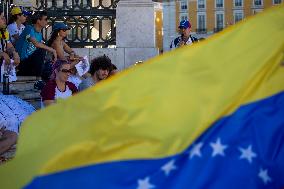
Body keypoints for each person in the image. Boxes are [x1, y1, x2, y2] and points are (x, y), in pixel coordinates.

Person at [16, 10, 57, 76]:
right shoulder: (29, 28)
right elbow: (36, 44)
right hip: (22, 62)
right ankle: (39, 77)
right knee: (42, 50)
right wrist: (52, 50)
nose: (47, 21)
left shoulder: (39, 34)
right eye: (46, 19)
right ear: (38, 20)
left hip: (31, 63)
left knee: (49, 66)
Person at [0, 8, 20, 82]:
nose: (5, 20)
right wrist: (1, 54)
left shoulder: (4, 31)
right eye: (2, 18)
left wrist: (14, 53)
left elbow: (9, 45)